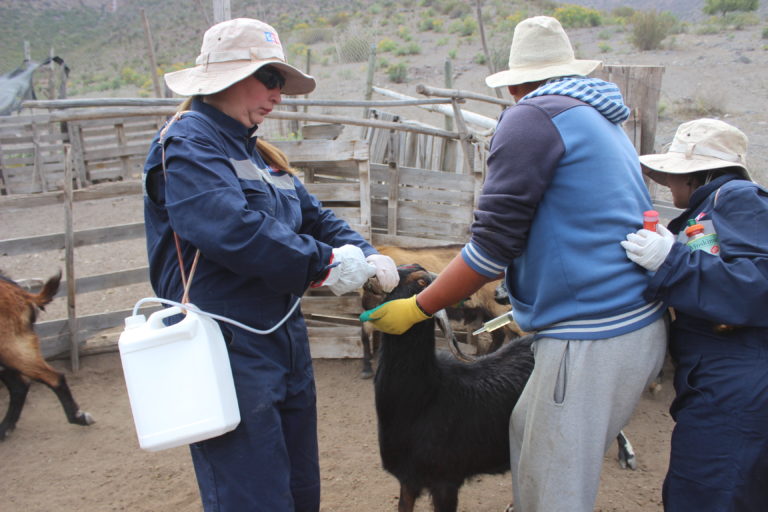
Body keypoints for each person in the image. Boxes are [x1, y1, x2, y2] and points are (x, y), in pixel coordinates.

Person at [361, 16, 667, 511]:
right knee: (528, 436)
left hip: (592, 332)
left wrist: (419, 307)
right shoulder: (598, 118)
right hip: (628, 322)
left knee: (554, 484)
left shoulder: (532, 117)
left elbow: (489, 249)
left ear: (516, 83)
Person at [142, 18, 398, 512]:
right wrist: (326, 265)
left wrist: (366, 253)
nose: (279, 94)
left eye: (280, 81)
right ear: (228, 78)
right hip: (225, 343)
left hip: (281, 335)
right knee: (252, 496)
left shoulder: (258, 152)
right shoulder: (187, 144)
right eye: (270, 78)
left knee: (300, 491)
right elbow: (233, 231)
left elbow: (313, 216)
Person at [621, 118, 768, 511]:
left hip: (736, 380)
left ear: (699, 173)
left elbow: (759, 286)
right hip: (718, 376)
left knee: (709, 491)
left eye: (674, 175)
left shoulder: (738, 199)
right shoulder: (708, 213)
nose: (669, 184)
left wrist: (672, 262)